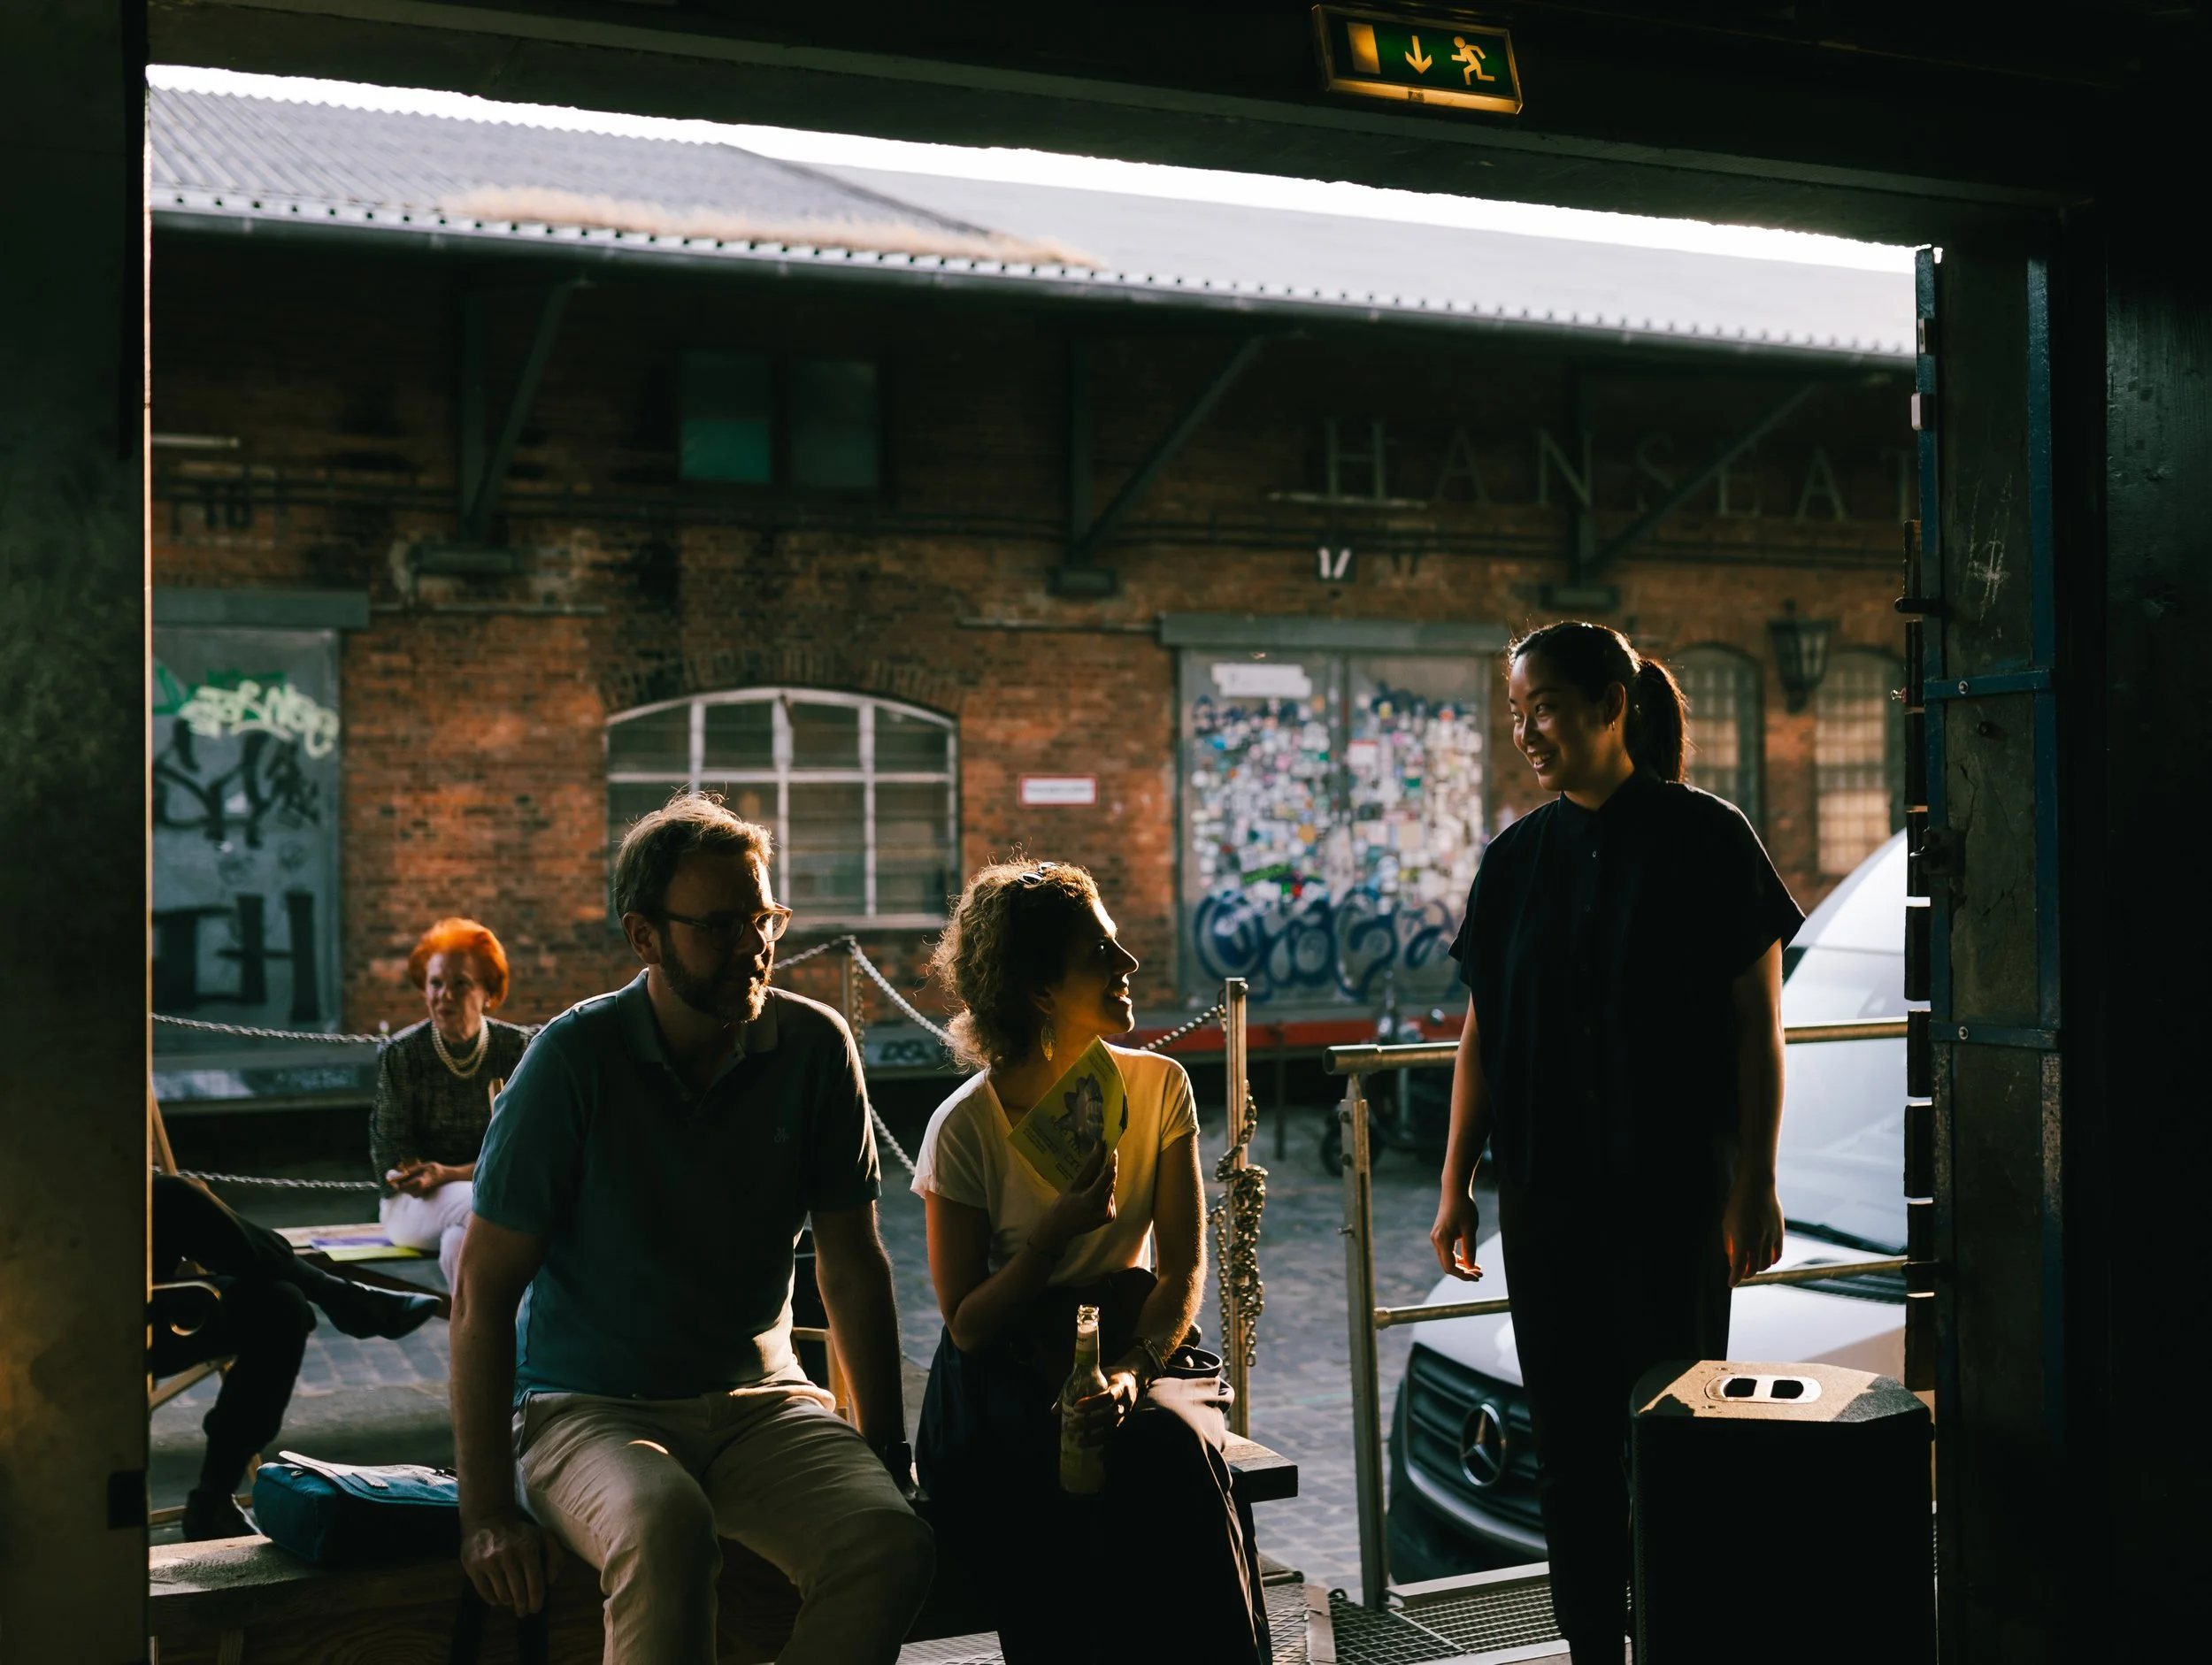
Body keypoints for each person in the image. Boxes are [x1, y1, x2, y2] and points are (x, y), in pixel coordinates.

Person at [448, 791, 933, 1665]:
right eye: (720, 926)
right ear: (645, 937)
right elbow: (481, 1293)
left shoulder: (814, 1048)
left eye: (764, 919)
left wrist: (888, 1453)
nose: (755, 946)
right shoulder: (572, 1061)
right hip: (587, 1409)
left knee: (887, 1540)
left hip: (764, 1405)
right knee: (665, 1524)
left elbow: (853, 1265)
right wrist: (484, 1512)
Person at [1428, 621, 1803, 1661]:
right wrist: (1456, 1182)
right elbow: (1481, 1035)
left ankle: (1684, 1638)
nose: (1527, 733)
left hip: (1674, 1198)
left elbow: (1757, 1031)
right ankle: (1593, 1645)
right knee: (1567, 1449)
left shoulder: (1708, 838)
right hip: (1544, 1205)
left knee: (1676, 1437)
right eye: (1517, 713)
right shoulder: (1514, 860)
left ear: (1610, 706)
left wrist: (1756, 1180)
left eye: (1544, 707)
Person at [913, 860, 1269, 1665]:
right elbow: (967, 1326)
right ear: (1039, 990)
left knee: (1170, 1451)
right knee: (1067, 1482)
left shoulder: (1161, 1086)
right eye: (1099, 954)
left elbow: (1181, 1271)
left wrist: (1133, 1373)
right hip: (1008, 1366)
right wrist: (1055, 1235)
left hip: (1133, 1337)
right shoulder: (965, 1128)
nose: (1128, 964)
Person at [150, 1172, 442, 1538]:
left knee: (282, 1305)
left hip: (154, 1296)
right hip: (102, 1316)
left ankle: (212, 1501)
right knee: (169, 1193)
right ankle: (344, 1298)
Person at [370, 917, 533, 1288]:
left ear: (488, 991)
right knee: (486, 1207)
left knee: (459, 1244)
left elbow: (524, 1149)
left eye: (460, 984)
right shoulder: (403, 1054)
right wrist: (417, 1176)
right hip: (414, 1207)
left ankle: (471, 1325)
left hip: (488, 1195)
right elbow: (390, 1154)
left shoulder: (515, 1048)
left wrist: (450, 1173)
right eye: (436, 983)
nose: (445, 995)